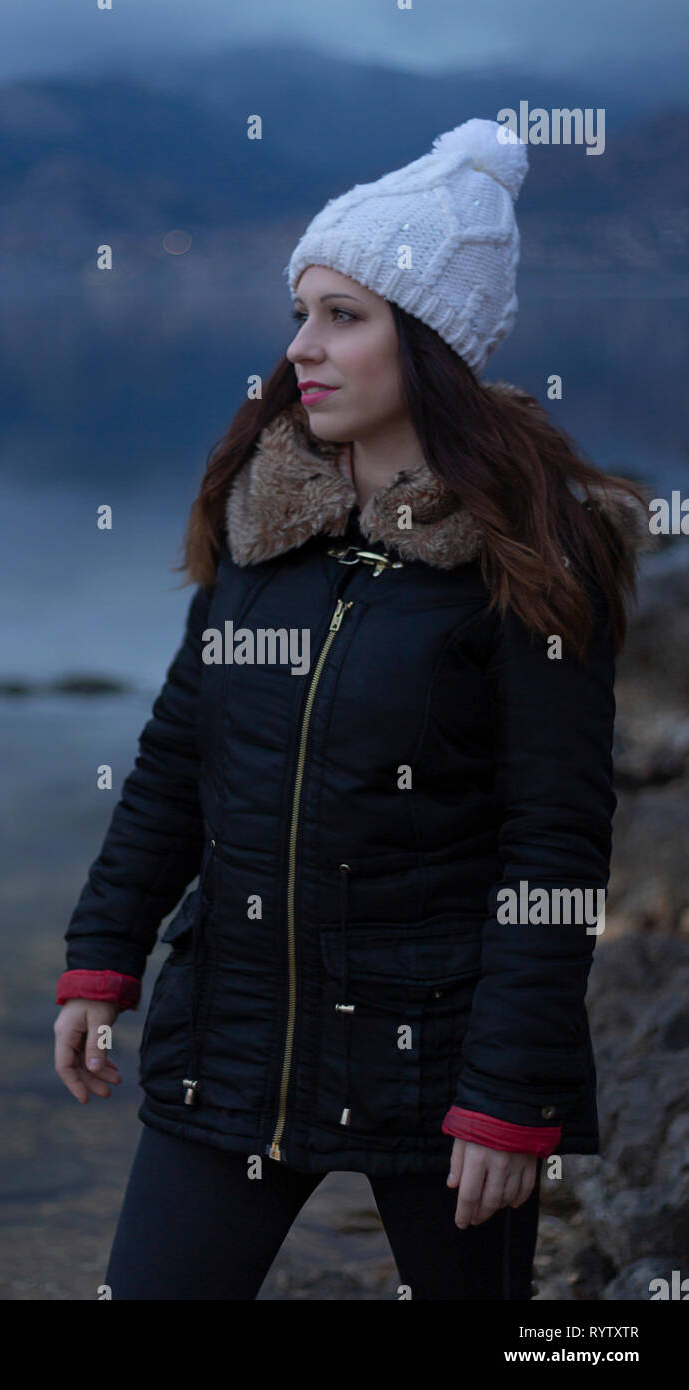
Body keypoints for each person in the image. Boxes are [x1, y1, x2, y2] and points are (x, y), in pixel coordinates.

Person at [53, 117, 652, 1300]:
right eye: (299, 314)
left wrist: (507, 1095)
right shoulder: (259, 523)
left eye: (343, 317)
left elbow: (554, 844)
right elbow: (179, 757)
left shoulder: (530, 559)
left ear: (424, 341)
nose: (300, 352)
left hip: (437, 1064)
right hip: (231, 1037)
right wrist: (99, 959)